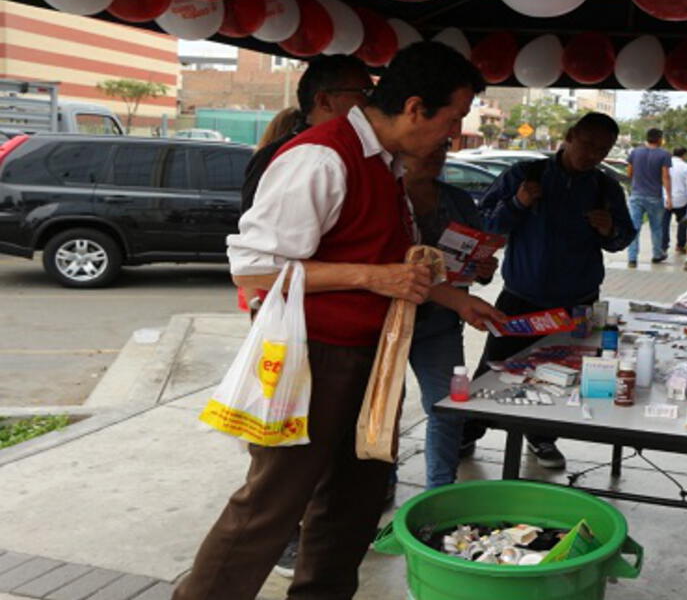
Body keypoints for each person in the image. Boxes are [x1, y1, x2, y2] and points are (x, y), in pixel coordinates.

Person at [173, 42, 502, 600]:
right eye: (452, 121)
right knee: (274, 503)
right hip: (313, 356)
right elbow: (253, 269)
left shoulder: (386, 165)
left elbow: (387, 257)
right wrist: (375, 279)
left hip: (373, 355)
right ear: (416, 107)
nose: (452, 136)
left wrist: (450, 297)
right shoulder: (322, 156)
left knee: (354, 499)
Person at [460, 113, 635, 470]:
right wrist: (518, 203)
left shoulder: (605, 188)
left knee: (558, 376)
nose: (593, 156)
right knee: (493, 369)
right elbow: (485, 225)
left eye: (603, 150)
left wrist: (610, 228)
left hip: (577, 303)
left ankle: (541, 437)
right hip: (520, 297)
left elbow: (622, 240)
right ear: (570, 136)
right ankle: (467, 430)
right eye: (588, 145)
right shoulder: (525, 174)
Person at [238, 56, 374, 319]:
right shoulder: (296, 155)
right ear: (324, 101)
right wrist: (258, 305)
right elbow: (256, 250)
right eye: (363, 93)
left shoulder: (358, 153)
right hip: (298, 322)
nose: (371, 103)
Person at [403, 146, 498, 489]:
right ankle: (377, 484)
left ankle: (440, 489)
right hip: (384, 322)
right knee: (382, 408)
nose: (433, 154)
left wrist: (485, 268)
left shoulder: (457, 201)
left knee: (447, 406)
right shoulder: (385, 195)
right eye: (426, 146)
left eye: (441, 148)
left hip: (441, 320)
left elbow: (479, 262)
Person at [625, 128, 672, 267]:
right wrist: (669, 196)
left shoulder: (635, 152)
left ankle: (632, 258)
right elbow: (665, 177)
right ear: (659, 139)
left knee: (635, 226)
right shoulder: (664, 154)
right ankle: (657, 255)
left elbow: (629, 173)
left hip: (636, 195)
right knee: (656, 227)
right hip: (654, 196)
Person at [660, 146, 687, 255]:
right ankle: (680, 245)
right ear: (684, 155)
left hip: (665, 199)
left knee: (664, 224)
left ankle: (663, 246)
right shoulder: (686, 167)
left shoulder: (665, 165)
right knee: (683, 224)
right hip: (682, 200)